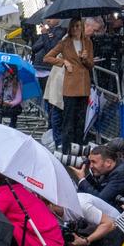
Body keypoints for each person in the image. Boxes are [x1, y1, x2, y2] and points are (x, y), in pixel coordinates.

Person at [43, 18, 94, 151]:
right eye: (74, 26)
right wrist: (63, 62)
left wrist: (85, 59)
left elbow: (91, 65)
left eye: (79, 26)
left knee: (81, 121)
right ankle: (66, 150)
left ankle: (79, 149)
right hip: (70, 86)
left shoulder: (88, 42)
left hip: (83, 85)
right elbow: (47, 57)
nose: (76, 29)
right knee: (68, 121)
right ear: (70, 28)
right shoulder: (65, 42)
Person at [74, 144, 124, 210]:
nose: (90, 166)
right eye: (90, 162)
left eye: (94, 162)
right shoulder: (114, 166)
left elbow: (100, 200)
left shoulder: (121, 173)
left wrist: (82, 180)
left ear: (108, 162)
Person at [32, 19, 65, 146]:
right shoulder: (48, 32)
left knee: (52, 103)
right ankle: (51, 127)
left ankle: (53, 129)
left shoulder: (60, 32)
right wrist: (44, 35)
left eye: (51, 19)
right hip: (40, 68)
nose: (48, 21)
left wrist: (45, 35)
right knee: (47, 101)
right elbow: (35, 47)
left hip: (51, 70)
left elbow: (50, 49)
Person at [0, 63, 23, 128]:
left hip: (9, 104)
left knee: (17, 108)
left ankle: (12, 126)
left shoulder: (18, 82)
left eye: (7, 71)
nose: (5, 72)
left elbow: (18, 98)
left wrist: (9, 103)